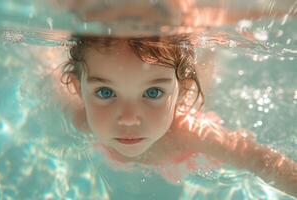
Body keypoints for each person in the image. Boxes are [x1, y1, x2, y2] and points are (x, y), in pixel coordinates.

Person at [58, 34, 297, 197]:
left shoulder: (191, 133)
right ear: (79, 89)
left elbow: (260, 162)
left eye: (153, 92)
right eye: (105, 92)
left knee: (205, 75)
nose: (129, 118)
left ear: (182, 92)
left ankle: (214, 47)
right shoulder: (79, 119)